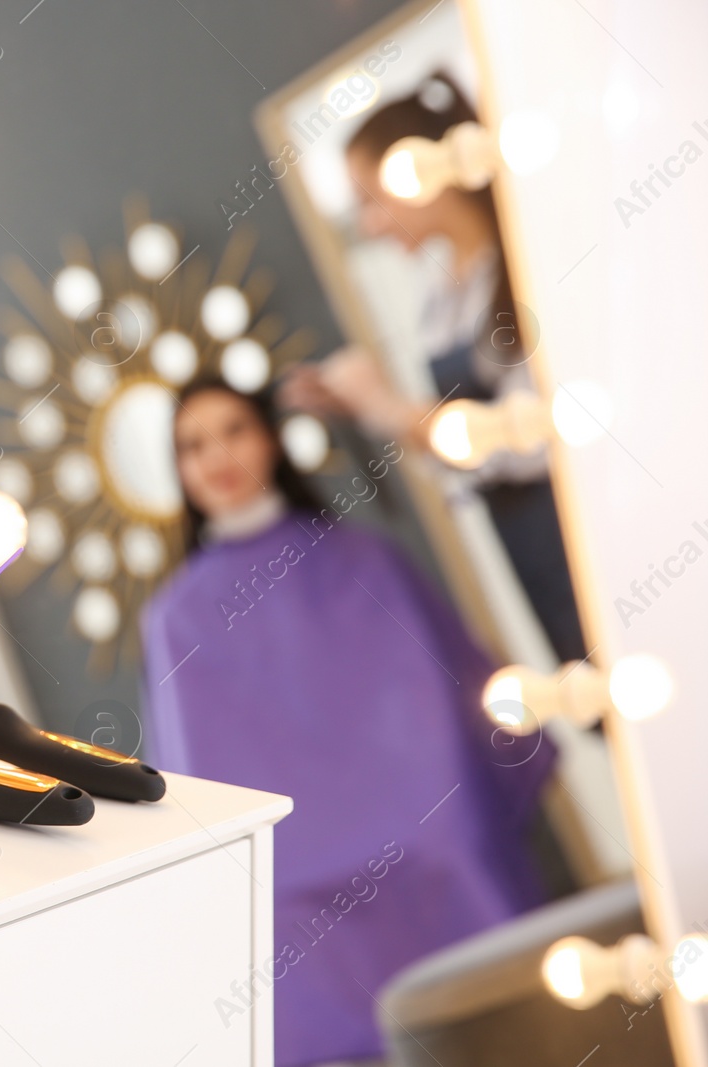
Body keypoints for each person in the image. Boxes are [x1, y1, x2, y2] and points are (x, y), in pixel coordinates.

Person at [140, 380, 555, 1067]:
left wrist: (431, 808)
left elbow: (449, 694)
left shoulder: (363, 558)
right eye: (193, 443)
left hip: (424, 819)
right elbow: (199, 782)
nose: (218, 455)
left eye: (234, 429)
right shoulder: (174, 618)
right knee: (275, 918)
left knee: (453, 842)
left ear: (271, 438)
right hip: (289, 862)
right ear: (178, 471)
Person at [281, 74, 587, 663]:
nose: (368, 225)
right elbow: (459, 456)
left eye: (372, 198)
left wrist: (387, 406)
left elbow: (527, 444)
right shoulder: (440, 303)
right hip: (524, 543)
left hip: (575, 524)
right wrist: (368, 411)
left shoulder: (527, 270)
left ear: (429, 172)